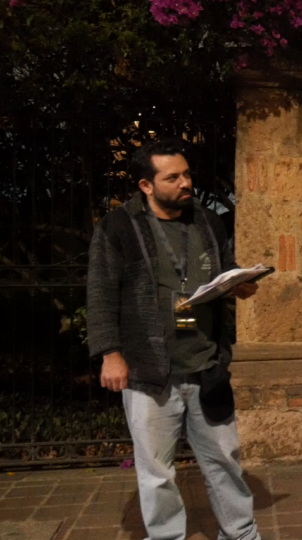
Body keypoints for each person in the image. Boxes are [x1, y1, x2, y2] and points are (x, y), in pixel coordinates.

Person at [87, 139, 262, 540]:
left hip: (206, 364)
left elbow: (223, 266)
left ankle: (241, 534)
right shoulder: (118, 226)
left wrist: (238, 282)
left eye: (186, 174)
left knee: (225, 460)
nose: (185, 183)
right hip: (149, 370)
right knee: (157, 472)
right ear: (146, 185)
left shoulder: (207, 220)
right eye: (173, 177)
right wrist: (110, 354)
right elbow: (100, 293)